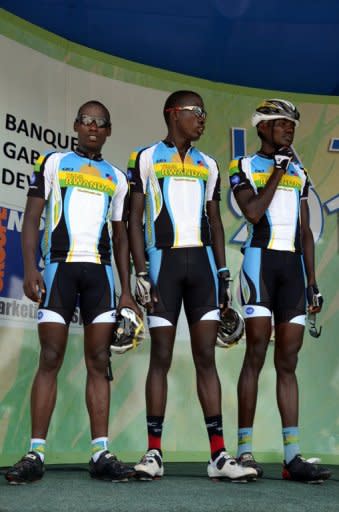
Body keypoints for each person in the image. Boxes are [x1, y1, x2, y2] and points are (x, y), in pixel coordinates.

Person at [5, 100, 140, 484]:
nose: (93, 127)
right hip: (59, 268)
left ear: (109, 131)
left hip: (99, 274)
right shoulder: (52, 163)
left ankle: (100, 451)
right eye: (86, 121)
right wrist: (31, 268)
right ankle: (36, 453)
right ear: (76, 125)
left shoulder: (116, 177)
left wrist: (126, 290)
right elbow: (32, 218)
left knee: (99, 360)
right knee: (50, 356)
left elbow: (120, 237)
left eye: (101, 123)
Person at [127, 90, 257, 482]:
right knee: (161, 358)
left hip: (202, 268)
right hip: (163, 267)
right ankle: (154, 452)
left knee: (206, 358)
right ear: (173, 114)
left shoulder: (209, 164)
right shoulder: (146, 158)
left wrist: (223, 272)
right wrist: (140, 272)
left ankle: (219, 457)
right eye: (195, 112)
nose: (202, 119)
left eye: (204, 113)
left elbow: (215, 222)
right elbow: (133, 219)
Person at [229, 99, 331, 483]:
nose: (289, 129)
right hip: (260, 265)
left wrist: (312, 281)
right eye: (281, 123)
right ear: (262, 127)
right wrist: (277, 172)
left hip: (292, 270)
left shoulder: (299, 172)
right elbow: (253, 212)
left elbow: (306, 232)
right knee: (255, 354)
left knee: (288, 361)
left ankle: (292, 457)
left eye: (293, 125)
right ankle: (245, 451)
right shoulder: (243, 166)